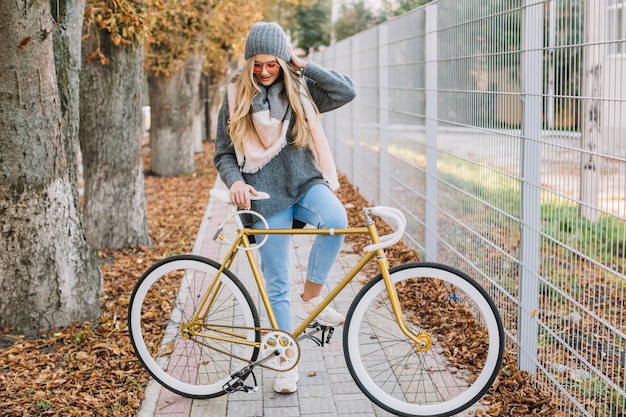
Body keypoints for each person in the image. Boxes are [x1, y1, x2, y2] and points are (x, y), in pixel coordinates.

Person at [213, 21, 356, 394]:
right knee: (276, 281)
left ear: (281, 59)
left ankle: (312, 295)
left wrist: (301, 64)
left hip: (306, 182)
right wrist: (237, 182)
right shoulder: (234, 95)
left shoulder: (301, 87)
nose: (263, 71)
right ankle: (285, 362)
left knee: (336, 218)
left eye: (271, 63)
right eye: (256, 64)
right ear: (248, 63)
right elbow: (223, 155)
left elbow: (345, 91)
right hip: (263, 193)